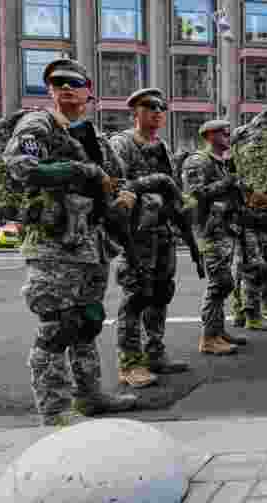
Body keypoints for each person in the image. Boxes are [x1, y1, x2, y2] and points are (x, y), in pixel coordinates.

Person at [6, 58, 138, 425]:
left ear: (87, 91)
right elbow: (21, 167)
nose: (65, 87)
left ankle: (90, 395)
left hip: (93, 245)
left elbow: (118, 180)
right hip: (54, 246)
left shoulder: (96, 139)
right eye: (57, 82)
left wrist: (125, 198)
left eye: (73, 81)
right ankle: (55, 409)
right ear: (50, 90)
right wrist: (81, 171)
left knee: (88, 323)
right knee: (57, 327)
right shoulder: (39, 124)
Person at [109, 88, 197, 386]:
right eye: (150, 107)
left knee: (161, 294)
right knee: (136, 296)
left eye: (162, 107)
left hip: (163, 232)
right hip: (137, 235)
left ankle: (154, 352)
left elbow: (173, 191)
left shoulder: (163, 148)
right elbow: (116, 186)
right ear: (135, 113)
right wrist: (154, 185)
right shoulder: (121, 144)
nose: (158, 111)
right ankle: (130, 362)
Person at [181, 119, 248, 355]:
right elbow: (195, 195)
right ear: (209, 135)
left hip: (224, 228)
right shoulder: (198, 161)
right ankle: (208, 338)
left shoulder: (221, 162)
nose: (227, 135)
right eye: (222, 132)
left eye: (228, 132)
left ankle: (217, 330)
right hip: (209, 230)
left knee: (223, 283)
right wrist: (227, 183)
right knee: (219, 283)